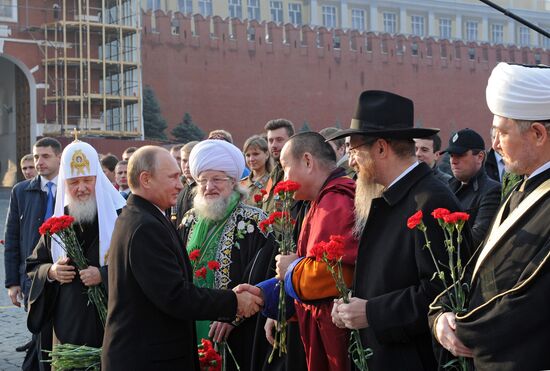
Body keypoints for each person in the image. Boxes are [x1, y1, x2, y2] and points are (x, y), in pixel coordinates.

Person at [328, 90, 471, 370]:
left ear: (381, 148)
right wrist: (350, 307)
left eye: (355, 151)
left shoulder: (430, 200)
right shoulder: (391, 196)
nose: (351, 162)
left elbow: (445, 293)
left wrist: (371, 312)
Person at [102, 145, 263, 370]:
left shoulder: (144, 217)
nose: (181, 185)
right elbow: (174, 295)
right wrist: (233, 301)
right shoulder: (146, 226)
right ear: (146, 179)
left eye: (217, 179)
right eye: (173, 177)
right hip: (148, 358)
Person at [432, 63, 550, 370]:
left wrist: (463, 327)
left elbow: (532, 297)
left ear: (537, 134)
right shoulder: (521, 187)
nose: (494, 144)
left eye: (501, 132)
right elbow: (478, 267)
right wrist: (441, 312)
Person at [178, 140, 276, 371]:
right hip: (191, 324)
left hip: (238, 331)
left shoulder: (256, 221)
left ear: (233, 182)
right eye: (202, 180)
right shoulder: (189, 220)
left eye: (216, 179)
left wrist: (233, 316)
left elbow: (263, 274)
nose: (208, 186)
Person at [26, 140, 126, 353]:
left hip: (111, 320)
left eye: (87, 180)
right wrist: (52, 271)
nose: (81, 188)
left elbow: (138, 265)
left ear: (97, 180)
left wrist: (104, 274)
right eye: (73, 182)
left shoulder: (121, 216)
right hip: (68, 323)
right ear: (65, 183)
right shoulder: (56, 222)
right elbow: (34, 265)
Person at [272, 132, 358, 371]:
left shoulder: (336, 201)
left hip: (335, 327)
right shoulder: (320, 200)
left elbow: (335, 275)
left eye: (285, 167)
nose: (282, 178)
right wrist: (264, 294)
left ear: (308, 161)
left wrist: (290, 269)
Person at [4, 138, 62, 368]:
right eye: (36, 156)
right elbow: (12, 238)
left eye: (45, 156)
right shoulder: (21, 191)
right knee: (39, 336)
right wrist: (11, 283)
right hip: (32, 278)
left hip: (64, 276)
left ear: (59, 157)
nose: (39, 162)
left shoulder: (70, 187)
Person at [440, 128, 501, 247]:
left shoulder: (492, 191)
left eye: (460, 155)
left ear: (480, 157)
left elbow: (476, 240)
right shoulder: (446, 187)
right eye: (451, 155)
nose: (453, 161)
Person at [263, 119, 295, 213]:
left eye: (279, 140)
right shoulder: (274, 173)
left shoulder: (297, 172)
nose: (273, 145)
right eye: (270, 140)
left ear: (291, 140)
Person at [241, 135, 272, 206]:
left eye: (256, 154)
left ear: (267, 154)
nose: (251, 159)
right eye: (248, 155)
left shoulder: (272, 183)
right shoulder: (241, 184)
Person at [173, 141, 199, 227]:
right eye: (184, 161)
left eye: (191, 160)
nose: (187, 165)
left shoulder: (204, 191)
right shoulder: (179, 189)